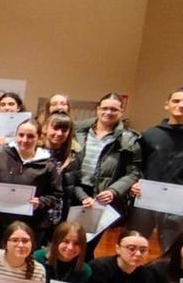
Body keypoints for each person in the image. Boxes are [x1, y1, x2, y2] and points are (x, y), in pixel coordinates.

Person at [73, 93, 141, 259]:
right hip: (74, 191)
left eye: (113, 109)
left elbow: (133, 173)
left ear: (121, 111)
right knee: (67, 241)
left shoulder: (130, 139)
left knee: (87, 245)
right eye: (104, 108)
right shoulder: (78, 131)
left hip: (101, 198)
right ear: (97, 109)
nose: (108, 112)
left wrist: (113, 191)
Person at [0, 119, 63, 248]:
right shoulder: (1, 154)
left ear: (39, 138)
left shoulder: (48, 165)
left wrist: (41, 202)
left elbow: (56, 194)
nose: (24, 140)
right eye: (21, 135)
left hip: (29, 227)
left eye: (30, 136)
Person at [130, 87, 183, 253]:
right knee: (134, 245)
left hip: (177, 204)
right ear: (167, 105)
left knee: (171, 251)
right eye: (176, 101)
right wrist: (135, 183)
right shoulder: (150, 135)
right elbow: (136, 166)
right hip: (145, 199)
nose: (181, 105)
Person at [40, 112, 81, 228]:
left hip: (60, 215)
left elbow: (75, 184)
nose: (59, 133)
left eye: (64, 130)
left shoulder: (73, 156)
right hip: (38, 213)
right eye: (55, 128)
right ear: (45, 128)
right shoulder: (36, 152)